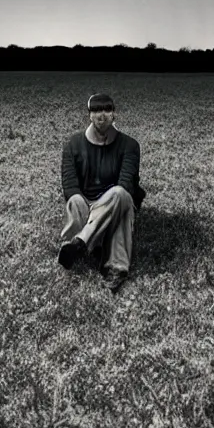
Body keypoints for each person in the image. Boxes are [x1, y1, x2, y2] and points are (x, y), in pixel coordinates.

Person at [58, 93, 146, 293]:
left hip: (116, 204)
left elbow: (126, 184)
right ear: (89, 115)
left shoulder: (130, 145)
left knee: (121, 195)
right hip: (87, 204)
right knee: (74, 201)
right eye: (96, 110)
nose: (102, 115)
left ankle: (111, 264)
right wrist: (85, 203)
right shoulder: (73, 145)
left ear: (114, 114)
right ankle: (94, 242)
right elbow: (70, 185)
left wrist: (101, 207)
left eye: (107, 110)